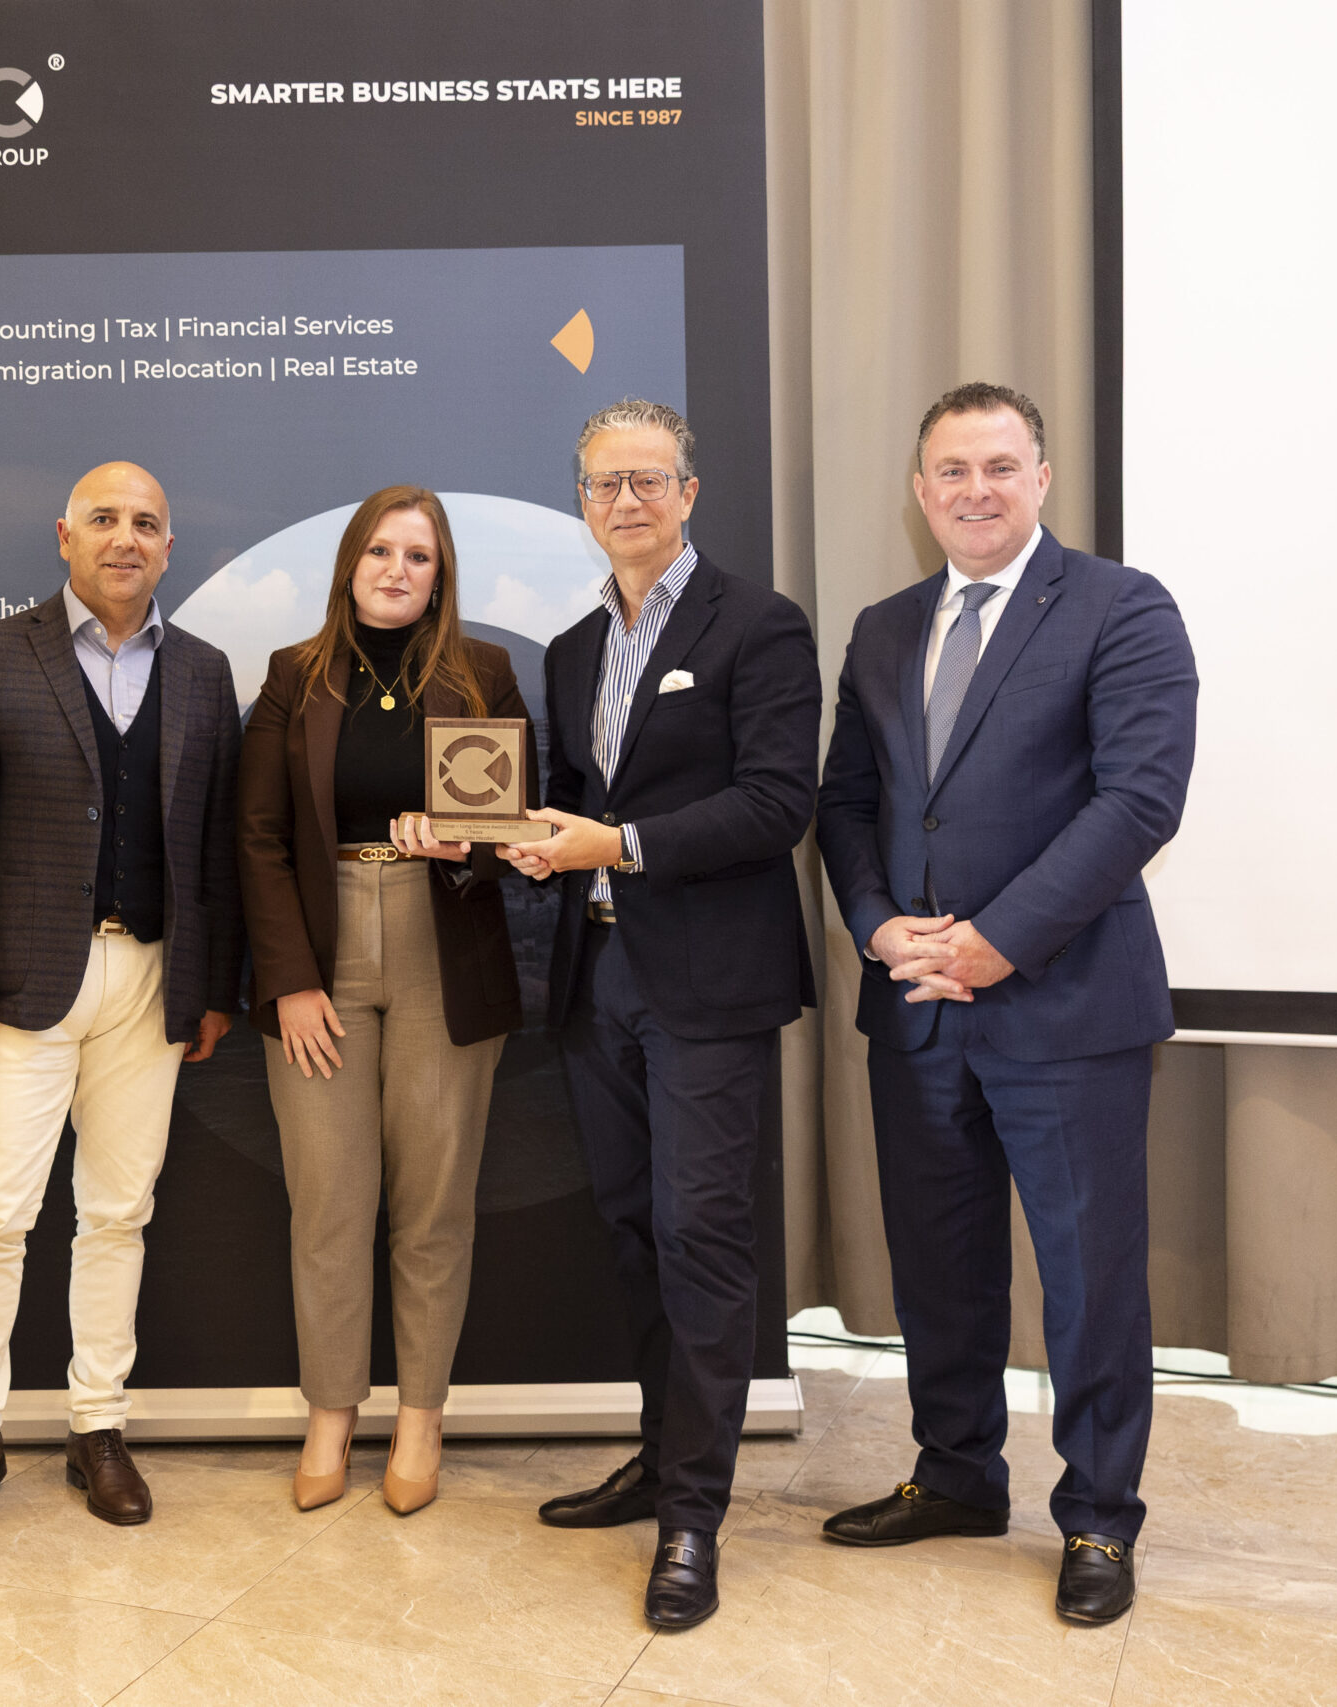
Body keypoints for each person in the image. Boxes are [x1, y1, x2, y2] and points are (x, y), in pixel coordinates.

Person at [814, 382, 1196, 1625]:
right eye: (950, 470)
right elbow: (847, 804)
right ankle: (956, 1476)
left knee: (1090, 1279)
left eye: (997, 466)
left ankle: (1098, 1518)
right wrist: (876, 924)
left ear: (1040, 478)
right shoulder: (882, 628)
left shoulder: (1120, 607)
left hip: (1066, 1008)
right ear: (919, 491)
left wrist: (998, 943)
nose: (973, 490)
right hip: (915, 1004)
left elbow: (1138, 800)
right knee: (939, 1269)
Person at [501, 400, 821, 1629]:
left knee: (701, 1239)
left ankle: (694, 1515)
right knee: (634, 1230)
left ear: (688, 492)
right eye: (603, 484)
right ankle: (658, 1456)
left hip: (709, 985)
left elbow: (777, 803)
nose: (624, 501)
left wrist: (619, 844)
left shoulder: (759, 624)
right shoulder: (573, 648)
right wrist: (520, 839)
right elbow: (571, 799)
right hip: (599, 982)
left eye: (646, 480)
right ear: (580, 502)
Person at [0, 461, 243, 1541]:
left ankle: (97, 1425)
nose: (124, 537)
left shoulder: (202, 672)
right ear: (65, 536)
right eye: (104, 518)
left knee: (118, 1213)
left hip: (150, 983)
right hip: (20, 988)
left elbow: (216, 849)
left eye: (145, 522)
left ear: (168, 547)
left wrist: (211, 990)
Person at [238, 486, 533, 1516]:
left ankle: (419, 1416)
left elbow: (516, 830)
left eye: (417, 555)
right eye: (379, 551)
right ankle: (330, 1413)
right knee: (328, 1203)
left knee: (433, 1207)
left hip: (441, 948)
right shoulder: (294, 675)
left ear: (440, 574)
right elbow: (258, 837)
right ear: (349, 564)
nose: (396, 570)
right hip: (317, 960)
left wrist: (466, 846)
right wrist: (289, 980)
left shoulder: (484, 672)